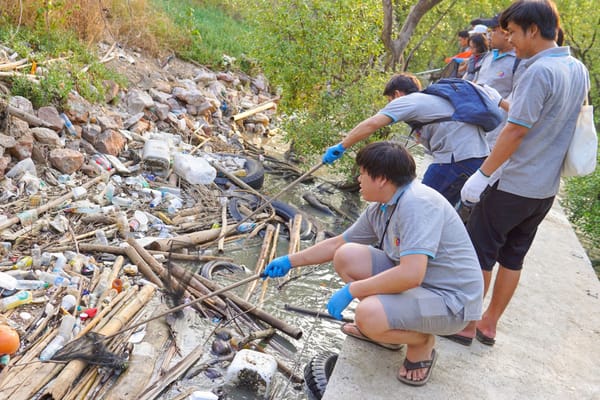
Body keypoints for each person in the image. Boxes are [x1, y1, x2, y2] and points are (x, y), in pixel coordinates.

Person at [263, 141, 483, 386]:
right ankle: (389, 333)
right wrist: (288, 261)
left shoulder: (418, 204)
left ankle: (422, 342)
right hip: (422, 287)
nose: (358, 179)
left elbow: (411, 275)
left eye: (363, 173)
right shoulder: (383, 206)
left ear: (381, 179)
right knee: (347, 256)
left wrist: (352, 290)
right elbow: (337, 244)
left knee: (367, 314)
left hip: (450, 302)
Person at [450, 0, 590, 347]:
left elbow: (516, 130)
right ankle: (489, 325)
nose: (510, 40)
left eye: (512, 33)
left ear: (532, 29)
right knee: (514, 255)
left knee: (480, 250)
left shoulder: (538, 71)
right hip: (543, 188)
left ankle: (466, 325)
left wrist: (482, 175)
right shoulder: (577, 68)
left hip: (512, 182)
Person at [321, 73, 490, 207]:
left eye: (389, 100)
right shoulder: (428, 101)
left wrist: (341, 146)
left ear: (397, 93)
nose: (390, 104)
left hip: (457, 160)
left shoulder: (409, 101)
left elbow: (372, 124)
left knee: (421, 207)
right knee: (435, 210)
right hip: (472, 158)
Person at [472, 14, 521, 147]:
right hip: (474, 130)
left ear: (507, 34)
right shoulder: (488, 57)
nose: (489, 35)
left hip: (496, 137)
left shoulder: (519, 62)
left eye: (493, 30)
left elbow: (518, 105)